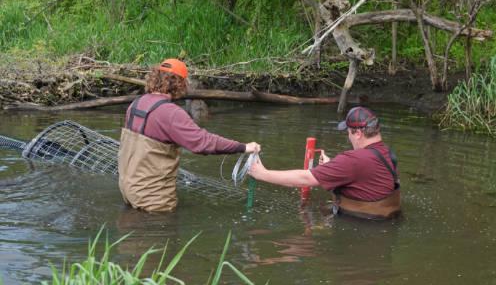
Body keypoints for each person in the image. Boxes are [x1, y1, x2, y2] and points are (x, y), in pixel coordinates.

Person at [118, 58, 260, 212]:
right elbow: (203, 143)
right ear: (179, 83)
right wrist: (243, 147)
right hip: (153, 200)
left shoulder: (136, 104)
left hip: (128, 190)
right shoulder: (171, 113)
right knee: (161, 232)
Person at [249, 106, 400, 220]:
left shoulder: (353, 160)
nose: (349, 138)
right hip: (386, 219)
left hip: (361, 224)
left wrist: (263, 174)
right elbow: (365, 181)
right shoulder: (387, 153)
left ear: (358, 133)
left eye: (348, 133)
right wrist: (333, 166)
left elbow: (305, 179)